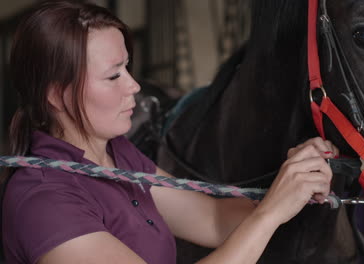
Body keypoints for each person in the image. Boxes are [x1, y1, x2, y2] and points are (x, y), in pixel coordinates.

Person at [1, 1, 338, 263]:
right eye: (113, 75)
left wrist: (294, 186)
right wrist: (270, 212)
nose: (134, 85)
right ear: (58, 95)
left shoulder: (117, 155)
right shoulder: (44, 202)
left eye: (127, 68)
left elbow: (213, 220)